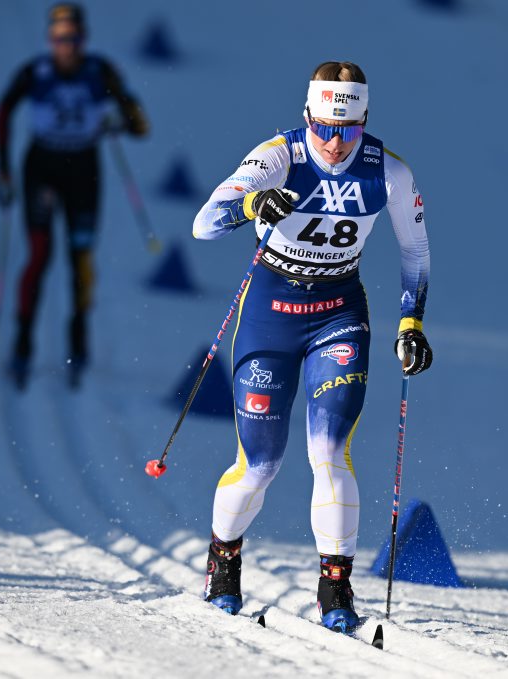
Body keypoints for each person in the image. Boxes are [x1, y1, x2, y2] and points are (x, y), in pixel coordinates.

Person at [192, 61, 432, 632]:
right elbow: (204, 223)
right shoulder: (279, 155)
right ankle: (223, 565)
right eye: (324, 126)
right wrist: (252, 205)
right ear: (307, 116)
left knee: (329, 453)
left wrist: (410, 324)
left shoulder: (389, 172)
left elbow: (415, 253)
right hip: (269, 316)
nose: (333, 141)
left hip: (338, 315)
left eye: (347, 130)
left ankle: (335, 588)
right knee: (260, 464)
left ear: (364, 122)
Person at [0, 3, 149, 389]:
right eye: (61, 39)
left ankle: (78, 346)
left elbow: (139, 123)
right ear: (50, 40)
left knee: (81, 259)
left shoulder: (99, 71)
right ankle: (22, 345)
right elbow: (2, 111)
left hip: (83, 172)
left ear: (84, 39)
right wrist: (3, 169)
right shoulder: (36, 72)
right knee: (40, 255)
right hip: (42, 170)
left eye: (74, 38)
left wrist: (122, 119)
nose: (68, 46)